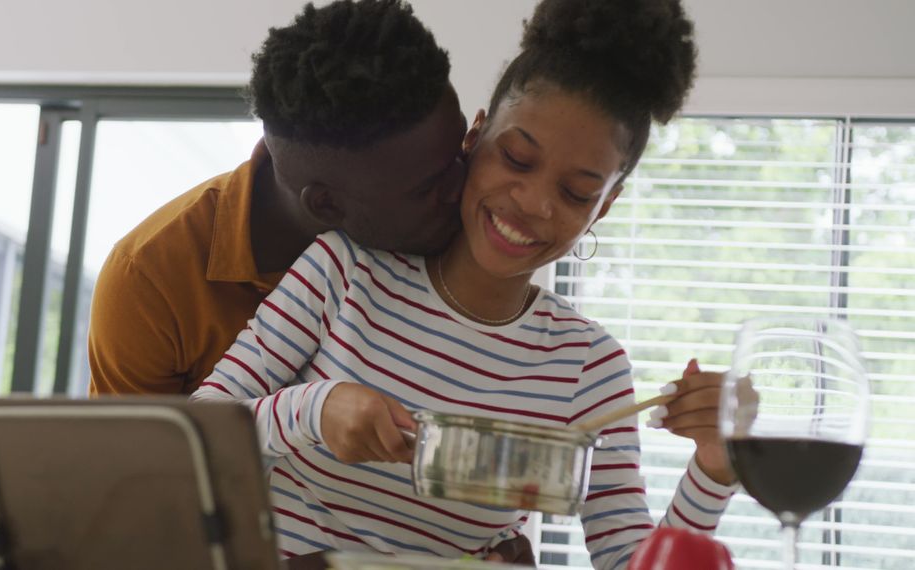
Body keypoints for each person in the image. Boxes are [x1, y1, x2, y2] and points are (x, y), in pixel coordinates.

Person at [191, 0, 737, 567]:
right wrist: (312, 410)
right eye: (518, 159)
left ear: (604, 206)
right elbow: (201, 429)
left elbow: (631, 562)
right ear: (475, 136)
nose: (533, 204)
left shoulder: (589, 367)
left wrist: (714, 471)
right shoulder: (345, 271)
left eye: (576, 193)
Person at [88, 0, 532, 563]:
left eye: (460, 156)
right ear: (326, 203)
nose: (462, 189)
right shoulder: (149, 280)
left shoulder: (442, 236)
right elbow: (141, 500)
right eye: (428, 186)